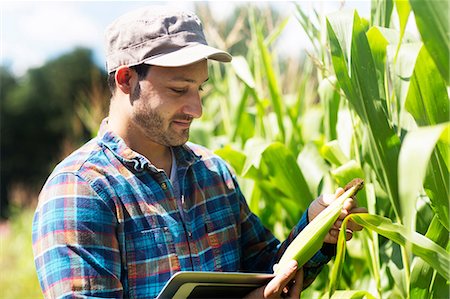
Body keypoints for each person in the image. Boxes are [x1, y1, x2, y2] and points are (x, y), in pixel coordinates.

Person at [32, 6, 366, 299]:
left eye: (199, 88)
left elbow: (268, 268)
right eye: (179, 89)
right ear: (125, 79)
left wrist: (315, 229)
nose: (197, 109)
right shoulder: (81, 191)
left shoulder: (214, 173)